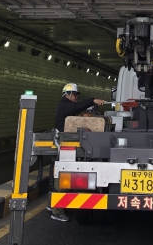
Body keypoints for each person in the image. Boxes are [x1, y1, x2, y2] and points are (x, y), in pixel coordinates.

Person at [49, 83, 105, 222]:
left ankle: (54, 205)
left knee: (59, 175)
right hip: (63, 146)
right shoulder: (65, 105)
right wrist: (92, 100)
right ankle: (57, 210)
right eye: (74, 95)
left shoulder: (66, 106)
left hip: (64, 145)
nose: (76, 98)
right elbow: (75, 107)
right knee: (62, 175)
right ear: (67, 95)